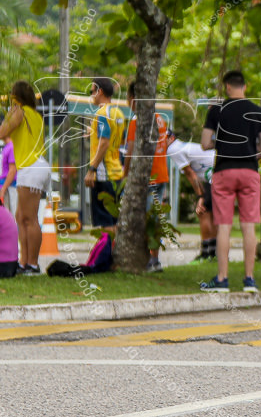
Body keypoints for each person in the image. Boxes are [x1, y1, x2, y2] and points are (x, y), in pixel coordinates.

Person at [199, 70, 261, 294]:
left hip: (224, 171)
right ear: (245, 86)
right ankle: (249, 279)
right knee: (249, 226)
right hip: (249, 171)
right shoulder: (259, 112)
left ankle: (222, 279)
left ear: (226, 87)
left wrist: (219, 144)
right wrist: (253, 151)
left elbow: (204, 143)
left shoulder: (216, 110)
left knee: (224, 227)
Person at [0, 81, 51, 276]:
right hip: (34, 166)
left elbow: (0, 133)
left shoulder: (19, 112)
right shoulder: (35, 115)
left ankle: (33, 264)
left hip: (31, 167)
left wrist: (9, 113)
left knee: (30, 218)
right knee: (21, 217)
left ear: (15, 97)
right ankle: (24, 262)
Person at [123, 82, 170, 272]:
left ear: (134, 100)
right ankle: (154, 259)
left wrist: (125, 173)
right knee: (155, 219)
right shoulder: (160, 119)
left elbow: (130, 150)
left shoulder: (137, 121)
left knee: (146, 219)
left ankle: (150, 260)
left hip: (147, 178)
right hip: (161, 175)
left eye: (128, 99)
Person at [165, 129, 218, 263]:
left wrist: (200, 196)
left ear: (170, 138)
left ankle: (206, 254)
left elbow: (190, 174)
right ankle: (212, 253)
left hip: (215, 177)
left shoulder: (173, 149)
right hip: (213, 176)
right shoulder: (179, 146)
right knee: (210, 214)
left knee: (203, 213)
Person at [84, 77, 126, 233]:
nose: (91, 96)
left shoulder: (102, 113)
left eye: (92, 92)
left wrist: (92, 169)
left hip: (103, 174)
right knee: (115, 219)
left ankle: (107, 255)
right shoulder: (119, 113)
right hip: (116, 173)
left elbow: (104, 142)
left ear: (99, 91)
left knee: (106, 220)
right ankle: (115, 254)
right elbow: (119, 141)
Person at [0, 139, 18, 215]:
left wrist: (3, 189)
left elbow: (12, 170)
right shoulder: (7, 147)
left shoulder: (12, 147)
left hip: (9, 188)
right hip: (4, 186)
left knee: (11, 215)